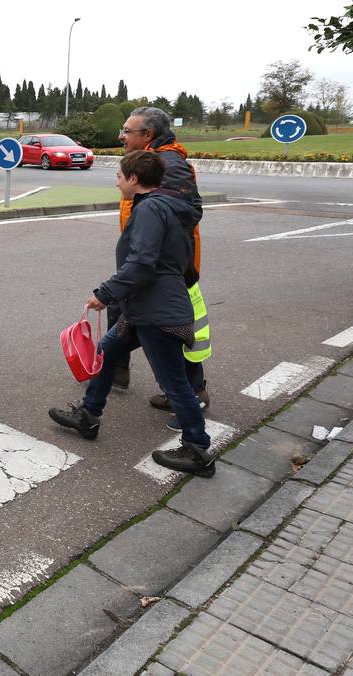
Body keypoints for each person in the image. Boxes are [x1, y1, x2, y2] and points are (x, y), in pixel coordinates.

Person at [48, 150, 215, 476]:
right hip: (147, 308)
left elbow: (141, 262)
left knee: (174, 382)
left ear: (134, 179)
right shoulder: (167, 208)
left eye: (119, 176)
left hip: (157, 311)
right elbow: (180, 262)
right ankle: (89, 415)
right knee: (106, 353)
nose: (116, 181)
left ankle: (198, 450)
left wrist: (105, 294)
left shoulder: (151, 209)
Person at [113, 106, 207, 409]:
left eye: (128, 131)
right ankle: (113, 374)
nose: (122, 135)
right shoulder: (152, 161)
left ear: (148, 135)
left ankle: (192, 393)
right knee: (125, 312)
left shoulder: (169, 164)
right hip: (144, 260)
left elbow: (188, 211)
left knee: (165, 326)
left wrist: (147, 252)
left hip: (160, 266)